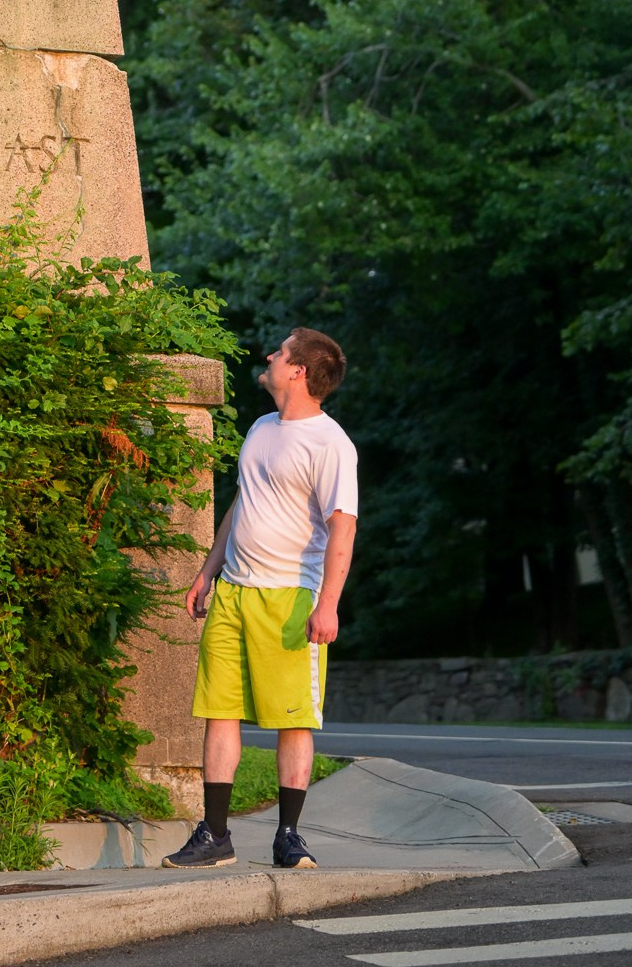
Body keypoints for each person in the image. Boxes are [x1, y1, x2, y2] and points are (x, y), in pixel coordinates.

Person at [163, 328, 357, 871]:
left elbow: (342, 530)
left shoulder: (331, 444)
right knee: (219, 712)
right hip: (233, 593)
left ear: (298, 370)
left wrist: (329, 604)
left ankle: (288, 836)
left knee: (292, 719)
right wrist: (208, 571)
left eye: (280, 351)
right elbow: (242, 505)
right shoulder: (261, 428)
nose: (269, 356)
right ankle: (215, 835)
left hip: (292, 599)